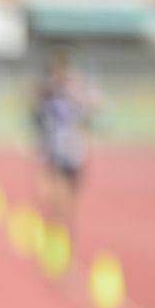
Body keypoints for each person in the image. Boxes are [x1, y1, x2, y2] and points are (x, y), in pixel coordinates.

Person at [32, 51, 96, 254]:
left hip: (73, 150)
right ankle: (55, 238)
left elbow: (93, 109)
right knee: (55, 198)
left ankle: (66, 241)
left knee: (70, 201)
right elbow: (36, 115)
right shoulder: (47, 92)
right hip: (53, 149)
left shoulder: (76, 91)